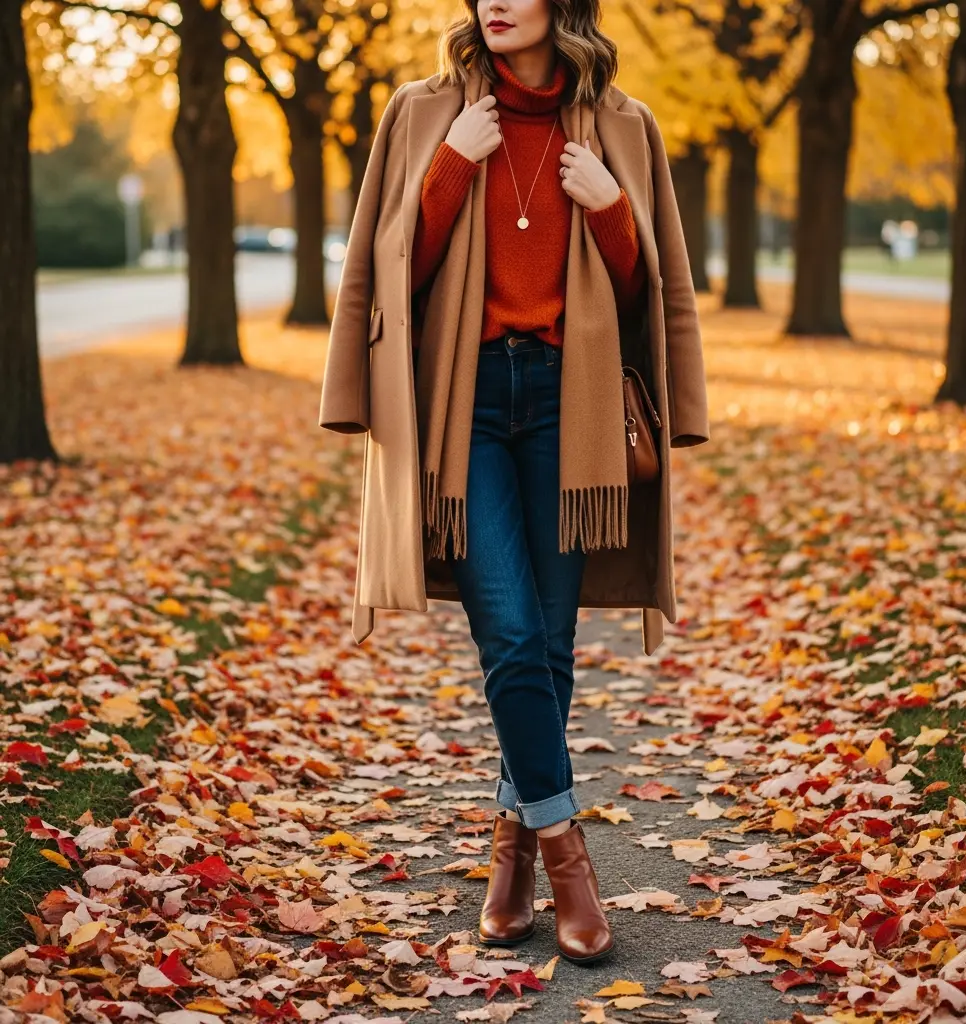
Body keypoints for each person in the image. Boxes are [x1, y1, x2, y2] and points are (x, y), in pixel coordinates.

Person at [318, 0, 709, 966]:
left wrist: (611, 209)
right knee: (511, 626)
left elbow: (644, 295)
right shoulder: (422, 111)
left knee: (551, 642)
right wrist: (454, 160)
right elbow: (386, 265)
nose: (495, 0)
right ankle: (568, 856)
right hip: (468, 403)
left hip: (572, 405)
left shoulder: (623, 125)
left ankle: (510, 855)